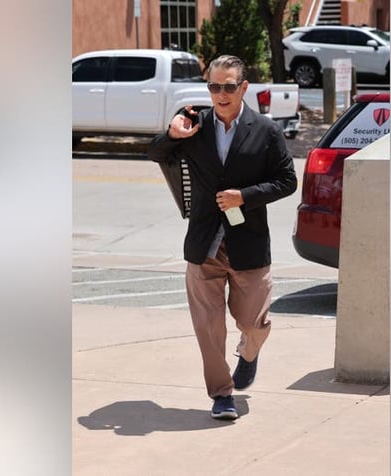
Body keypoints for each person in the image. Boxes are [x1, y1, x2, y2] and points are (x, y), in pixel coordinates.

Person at [148, 55, 298, 420]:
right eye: (214, 87)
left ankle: (249, 352)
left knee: (252, 322)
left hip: (248, 244)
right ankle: (221, 394)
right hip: (204, 244)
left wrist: (244, 196)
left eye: (229, 86)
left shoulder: (265, 130)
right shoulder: (194, 125)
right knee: (208, 327)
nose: (221, 94)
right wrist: (171, 135)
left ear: (243, 88)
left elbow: (287, 181)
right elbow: (154, 153)